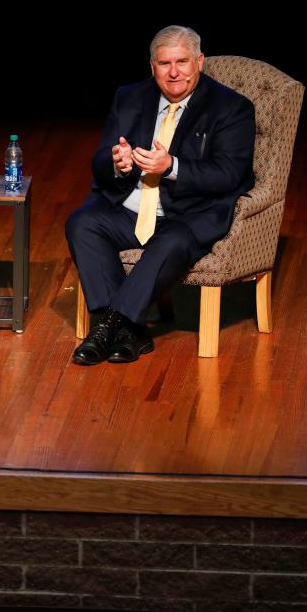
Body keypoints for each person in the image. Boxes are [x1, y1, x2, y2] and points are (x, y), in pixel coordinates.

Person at [65, 25, 255, 365]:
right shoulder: (129, 97)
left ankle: (108, 326)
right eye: (164, 63)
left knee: (170, 243)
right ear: (152, 66)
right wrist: (119, 165)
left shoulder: (231, 107)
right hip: (130, 208)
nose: (174, 72)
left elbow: (229, 174)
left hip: (188, 214)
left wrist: (171, 166)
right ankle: (130, 333)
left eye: (182, 62)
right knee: (82, 222)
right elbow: (98, 162)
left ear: (199, 61)